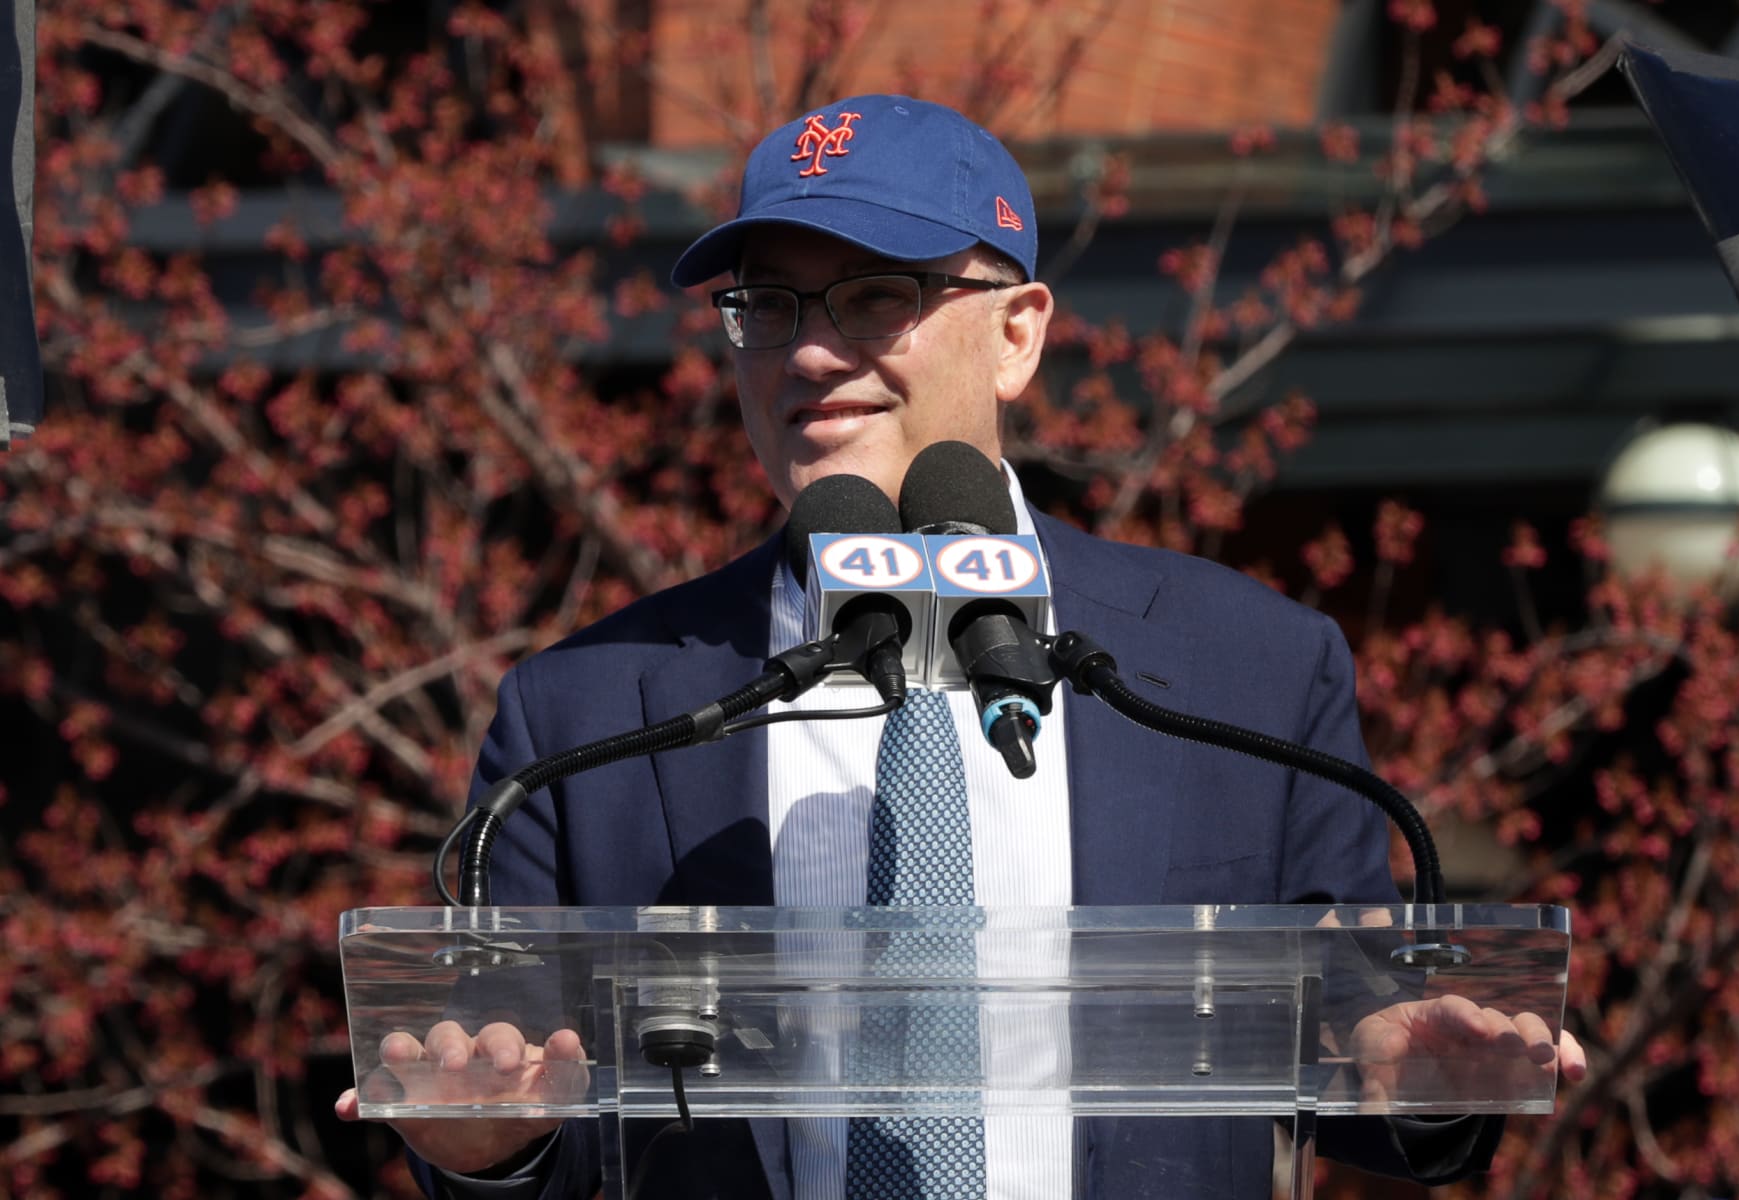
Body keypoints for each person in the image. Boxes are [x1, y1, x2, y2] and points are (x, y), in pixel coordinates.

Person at [337, 94, 1586, 1198]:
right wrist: (481, 1148)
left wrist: (1418, 1078)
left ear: (1019, 333)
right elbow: (513, 1114)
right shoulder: (587, 716)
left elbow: (1368, 1058)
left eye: (877, 294)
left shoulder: (1245, 670)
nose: (811, 353)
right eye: (764, 308)